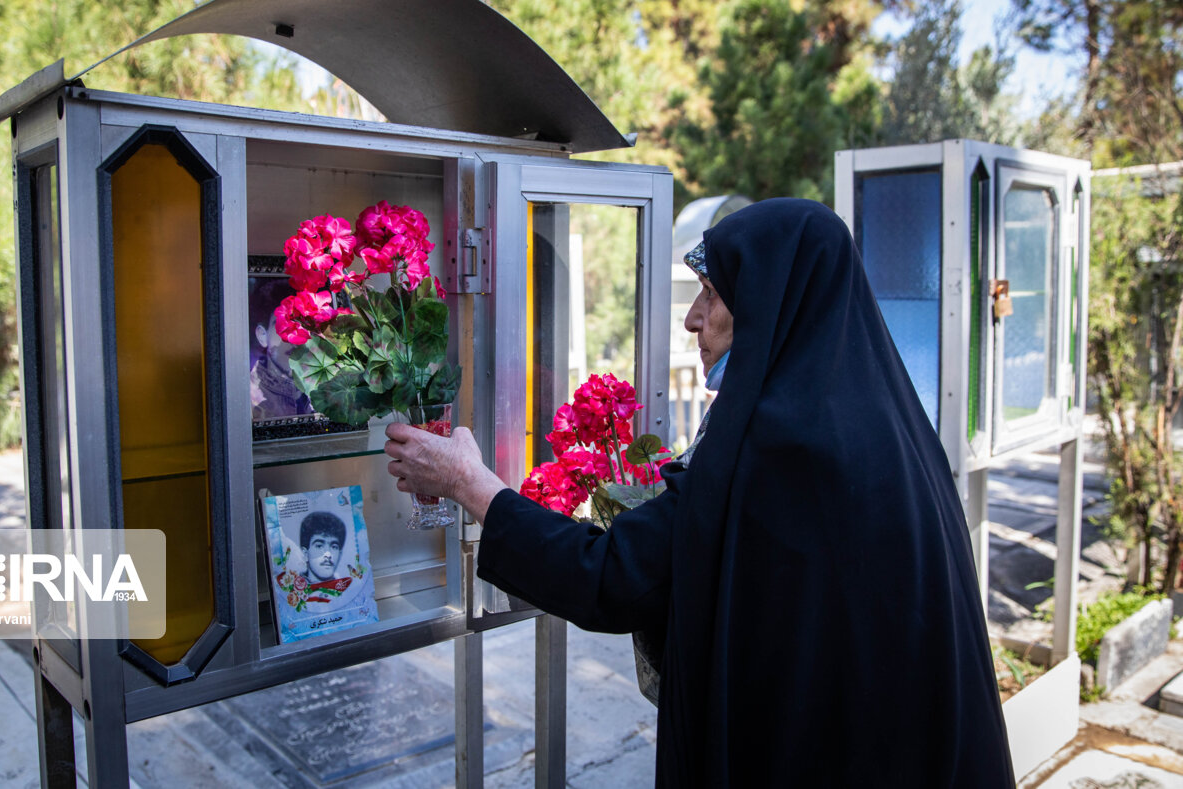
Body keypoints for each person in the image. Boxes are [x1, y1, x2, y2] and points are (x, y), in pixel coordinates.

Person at [383, 198, 1014, 786]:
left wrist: (468, 482)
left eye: (711, 296)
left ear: (770, 304)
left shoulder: (777, 450)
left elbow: (612, 578)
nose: (691, 320)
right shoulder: (891, 425)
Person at [250, 277, 314, 421]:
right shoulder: (246, 396)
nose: (294, 337)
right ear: (262, 335)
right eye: (283, 326)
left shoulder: (328, 387)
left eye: (303, 325)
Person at [299, 510, 346, 584]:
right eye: (319, 546)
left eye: (334, 547)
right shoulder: (291, 590)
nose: (328, 555)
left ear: (340, 555)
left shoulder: (348, 590)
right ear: (305, 553)